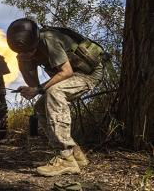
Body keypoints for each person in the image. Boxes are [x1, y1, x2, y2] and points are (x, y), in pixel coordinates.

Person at [6, 18, 105, 177]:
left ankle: (65, 158)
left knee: (54, 92)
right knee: (40, 106)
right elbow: (33, 84)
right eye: (21, 52)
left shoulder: (48, 40)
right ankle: (76, 156)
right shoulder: (26, 52)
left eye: (28, 51)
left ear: (35, 41)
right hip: (72, 76)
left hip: (89, 74)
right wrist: (24, 64)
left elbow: (67, 72)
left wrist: (38, 89)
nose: (26, 54)